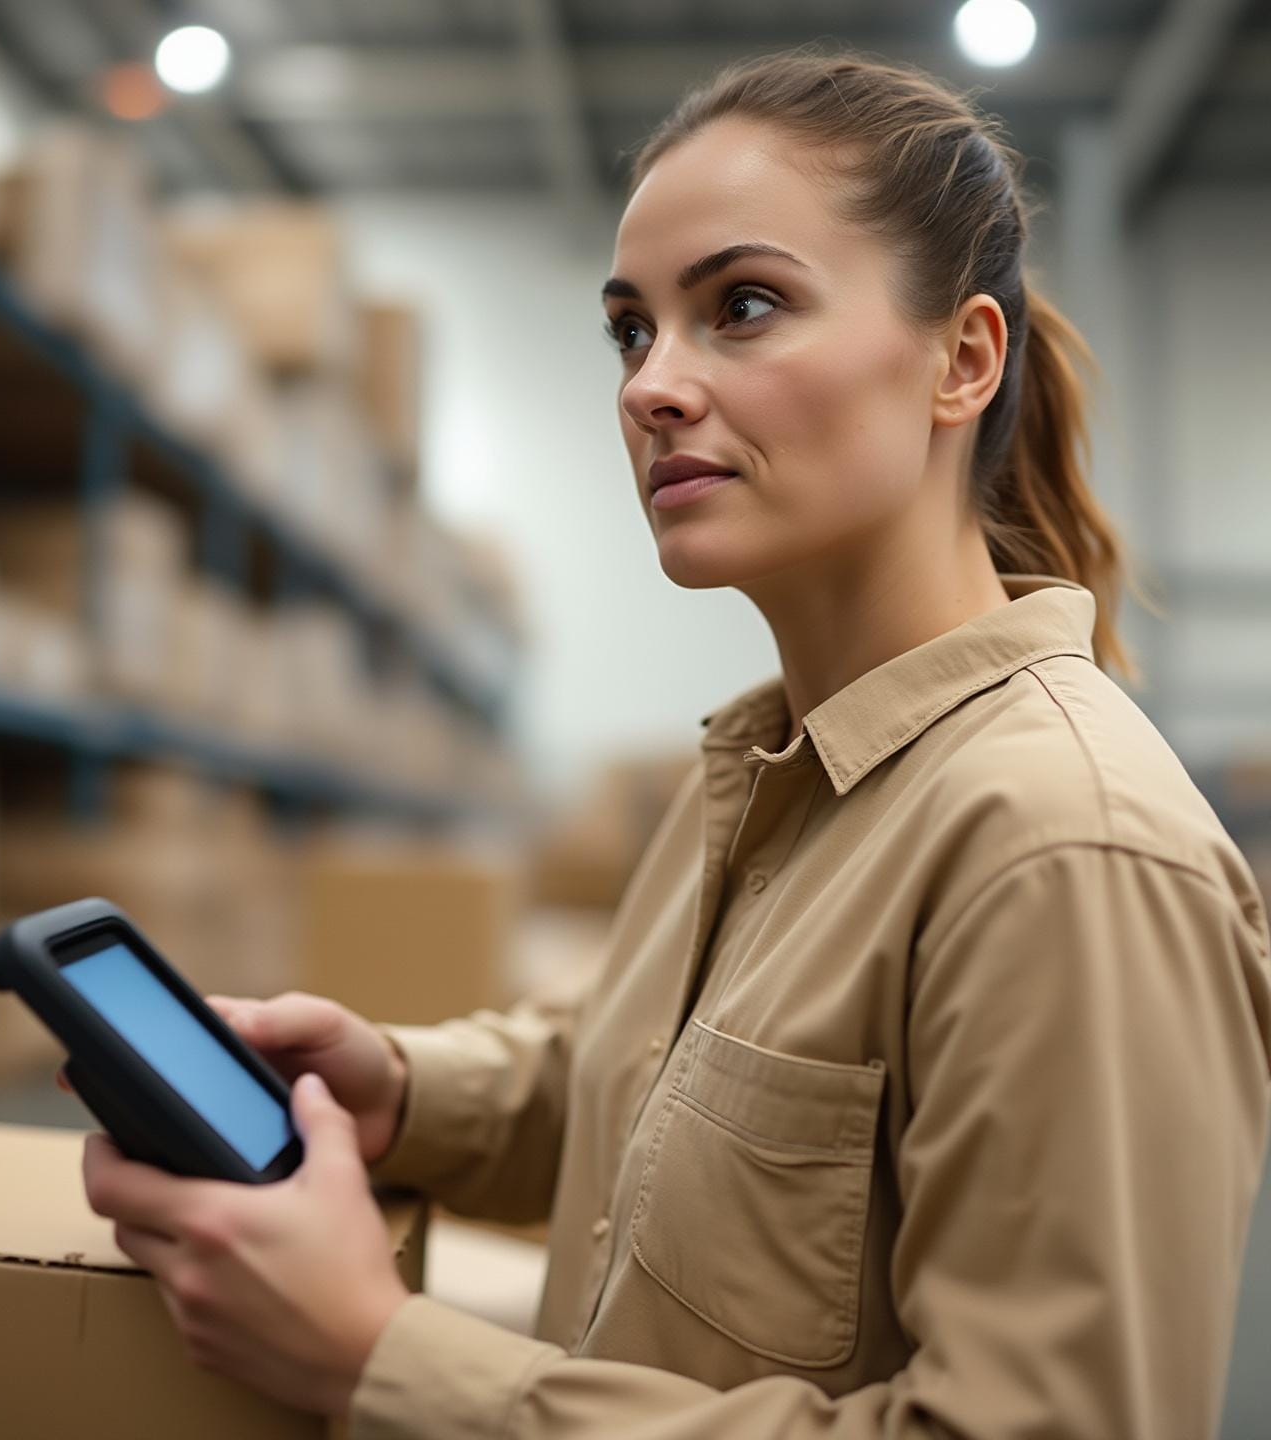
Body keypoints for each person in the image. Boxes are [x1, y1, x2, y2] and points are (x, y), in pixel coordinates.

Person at [80, 48, 1271, 1438]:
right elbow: (660, 1094)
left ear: (962, 361)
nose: (654, 385)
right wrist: (400, 1088)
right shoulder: (771, 772)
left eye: (743, 307)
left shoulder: (1063, 849)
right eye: (630, 330)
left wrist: (377, 1360)